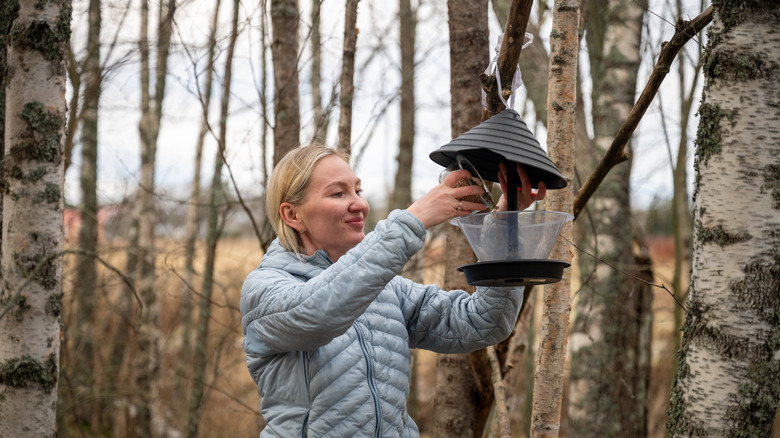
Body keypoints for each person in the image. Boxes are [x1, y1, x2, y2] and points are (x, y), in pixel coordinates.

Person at [240, 144, 546, 437]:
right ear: (292, 215)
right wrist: (413, 220)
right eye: (338, 193)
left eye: (357, 190)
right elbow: (321, 311)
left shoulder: (386, 289)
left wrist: (504, 226)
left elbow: (484, 323)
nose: (359, 203)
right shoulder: (264, 290)